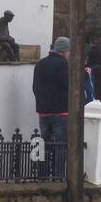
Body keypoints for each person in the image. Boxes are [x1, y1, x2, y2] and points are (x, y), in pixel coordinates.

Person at [32, 37, 70, 165]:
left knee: (44, 144)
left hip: (43, 111)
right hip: (60, 112)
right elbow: (67, 85)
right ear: (64, 51)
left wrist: (42, 103)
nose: (69, 54)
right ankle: (58, 177)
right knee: (60, 146)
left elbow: (35, 87)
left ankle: (43, 175)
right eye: (69, 51)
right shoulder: (63, 64)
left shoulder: (40, 64)